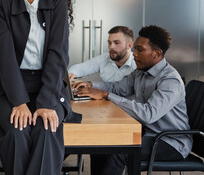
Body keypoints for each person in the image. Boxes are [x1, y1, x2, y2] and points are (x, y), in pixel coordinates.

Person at [0, 0, 74, 175]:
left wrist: (45, 104)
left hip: (50, 86)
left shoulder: (57, 2)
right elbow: (4, 58)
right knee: (17, 130)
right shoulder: (4, 2)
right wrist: (18, 101)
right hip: (10, 88)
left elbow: (58, 54)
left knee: (46, 129)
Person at [74, 25, 193, 175]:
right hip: (146, 133)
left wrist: (106, 95)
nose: (134, 54)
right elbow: (118, 88)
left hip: (170, 141)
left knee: (121, 151)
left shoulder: (170, 80)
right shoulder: (141, 72)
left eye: (140, 50)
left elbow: (148, 114)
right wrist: (91, 85)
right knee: (101, 142)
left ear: (156, 53)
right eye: (135, 49)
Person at [68, 26, 136, 91]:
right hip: (105, 101)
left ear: (129, 45)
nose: (111, 47)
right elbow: (80, 68)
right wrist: (72, 74)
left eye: (116, 43)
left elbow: (122, 90)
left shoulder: (137, 64)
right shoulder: (104, 58)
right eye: (109, 43)